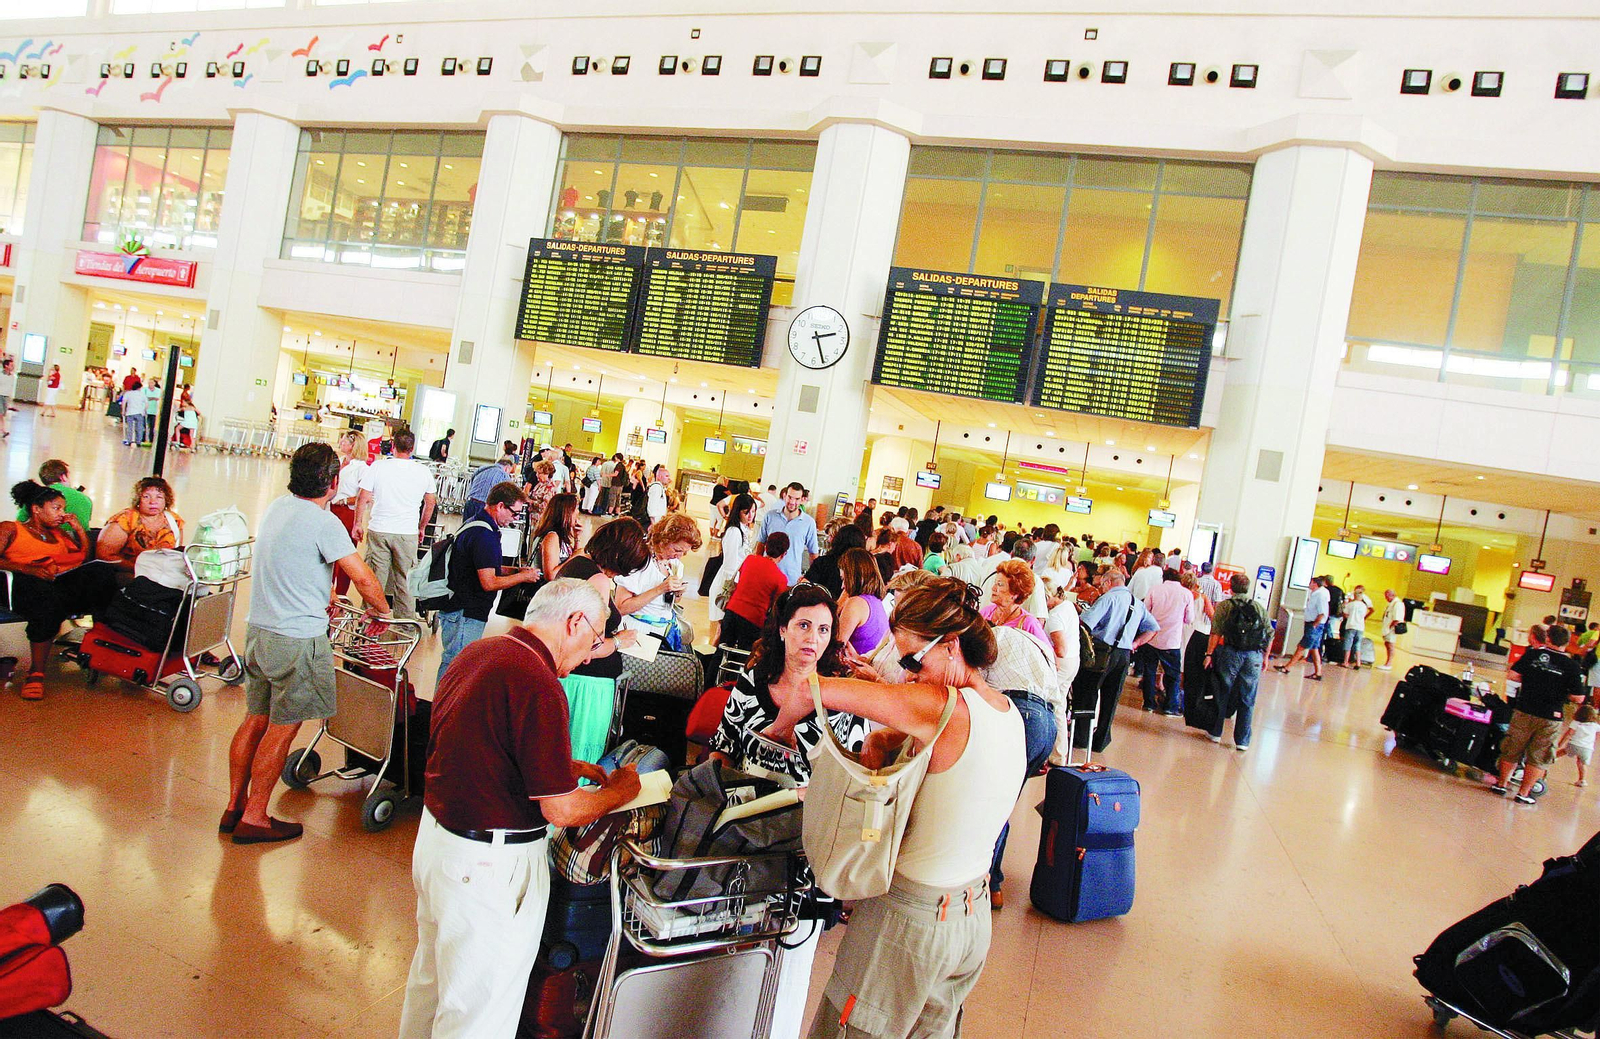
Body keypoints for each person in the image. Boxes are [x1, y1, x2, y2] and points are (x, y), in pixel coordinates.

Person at [399, 579, 642, 1039]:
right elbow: (562, 810)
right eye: (593, 642)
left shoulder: (481, 653)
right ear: (574, 623)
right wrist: (622, 791)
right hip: (487, 866)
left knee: (432, 987)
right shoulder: (538, 682)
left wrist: (564, 765)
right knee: (479, 1014)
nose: (589, 656)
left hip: (439, 844)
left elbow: (478, 741)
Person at [805, 578, 1024, 1037]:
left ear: (951, 646)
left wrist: (797, 661)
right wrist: (885, 736)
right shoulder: (1006, 711)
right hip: (969, 919)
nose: (907, 674)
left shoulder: (942, 705)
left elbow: (817, 691)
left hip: (909, 922)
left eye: (911, 660)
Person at [224, 443, 390, 844]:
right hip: (296, 640)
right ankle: (256, 817)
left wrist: (322, 594)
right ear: (333, 482)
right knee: (283, 728)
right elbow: (363, 578)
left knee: (255, 718)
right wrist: (381, 611)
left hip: (259, 631)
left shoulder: (277, 508)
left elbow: (288, 563)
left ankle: (234, 807)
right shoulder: (324, 522)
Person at [0, 482, 118, 700]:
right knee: (46, 600)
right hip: (23, 583)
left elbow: (82, 558)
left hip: (58, 582)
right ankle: (35, 674)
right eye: (56, 508)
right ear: (37, 509)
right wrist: (29, 569)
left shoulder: (59, 534)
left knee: (102, 572)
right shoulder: (11, 529)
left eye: (63, 508)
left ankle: (101, 643)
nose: (62, 514)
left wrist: (79, 530)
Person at [435, 482, 543, 683]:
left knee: (457, 663)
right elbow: (489, 582)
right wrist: (523, 577)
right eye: (514, 513)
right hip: (465, 612)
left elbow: (485, 565)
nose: (515, 519)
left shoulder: (477, 524)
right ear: (500, 506)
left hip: (463, 608)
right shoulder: (483, 534)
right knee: (456, 664)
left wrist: (515, 571)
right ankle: (443, 702)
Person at [1486, 624, 1587, 806]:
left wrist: (1532, 680)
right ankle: (1523, 793)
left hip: (1524, 710)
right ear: (1566, 643)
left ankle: (1501, 784)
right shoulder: (1572, 666)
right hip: (1551, 716)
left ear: (1548, 638)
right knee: (1539, 755)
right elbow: (1578, 697)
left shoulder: (1533, 655)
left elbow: (1513, 675)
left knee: (1512, 748)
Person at [1072, 570, 1160, 753]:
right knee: (1111, 698)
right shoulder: (1137, 603)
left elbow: (1086, 623)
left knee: (1088, 692)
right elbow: (1153, 628)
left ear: (1108, 582)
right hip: (1124, 655)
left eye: (1102, 585)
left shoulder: (1108, 598)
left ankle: (1081, 737)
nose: (1101, 588)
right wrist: (1136, 643)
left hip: (1102, 652)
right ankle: (1101, 739)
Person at [354, 428, 437, 620]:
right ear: (412, 448)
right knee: (405, 581)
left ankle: (369, 623)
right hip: (407, 533)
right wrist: (421, 527)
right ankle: (406, 626)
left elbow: (363, 497)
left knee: (375, 579)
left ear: (392, 446)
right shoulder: (423, 471)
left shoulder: (378, 467)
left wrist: (357, 523)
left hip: (379, 530)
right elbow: (430, 502)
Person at [554, 517, 649, 681]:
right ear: (618, 557)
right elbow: (589, 649)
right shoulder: (599, 581)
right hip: (586, 679)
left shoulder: (576, 563)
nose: (620, 574)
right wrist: (619, 641)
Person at [1204, 573, 1271, 751]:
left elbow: (1216, 632)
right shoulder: (1258, 607)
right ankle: (1242, 741)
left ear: (1231, 587)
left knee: (1222, 691)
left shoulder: (1225, 606)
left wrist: (1209, 654)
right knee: (1248, 697)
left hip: (1230, 652)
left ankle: (1215, 732)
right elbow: (1269, 633)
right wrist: (1265, 657)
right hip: (1253, 655)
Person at [614, 513, 701, 633]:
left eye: (684, 553)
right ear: (663, 541)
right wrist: (660, 589)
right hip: (638, 630)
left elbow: (670, 602)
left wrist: (677, 594)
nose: (679, 556)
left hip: (664, 629)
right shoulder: (638, 561)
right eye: (677, 550)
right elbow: (621, 608)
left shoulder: (675, 565)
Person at [95, 476, 183, 574]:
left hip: (163, 575)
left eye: (159, 497)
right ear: (138, 500)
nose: (153, 502)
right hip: (128, 573)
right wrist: (140, 570)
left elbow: (176, 554)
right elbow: (104, 555)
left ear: (166, 500)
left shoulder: (175, 521)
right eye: (146, 497)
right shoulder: (125, 519)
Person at [721, 532, 790, 650]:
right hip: (754, 620)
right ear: (784, 554)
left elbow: (740, 582)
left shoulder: (749, 559)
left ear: (766, 546)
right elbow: (775, 606)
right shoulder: (781, 579)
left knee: (722, 650)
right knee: (744, 654)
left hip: (732, 610)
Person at [1141, 569, 1195, 716]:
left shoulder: (1154, 589)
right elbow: (1189, 619)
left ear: (1163, 577)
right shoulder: (1186, 594)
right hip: (1172, 640)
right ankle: (1170, 707)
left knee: (1150, 671)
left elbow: (1145, 612)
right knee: (1173, 675)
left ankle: (1149, 703)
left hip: (1152, 637)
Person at [754, 482, 818, 586]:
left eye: (797, 499)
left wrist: (811, 580)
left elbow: (813, 553)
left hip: (791, 580)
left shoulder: (809, 523)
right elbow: (760, 544)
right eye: (790, 497)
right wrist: (757, 568)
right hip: (766, 577)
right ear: (784, 496)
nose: (792, 502)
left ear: (802, 500)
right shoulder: (770, 516)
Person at [981, 560, 1050, 654]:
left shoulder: (1028, 623)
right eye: (995, 583)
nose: (993, 588)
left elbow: (1048, 653)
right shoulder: (986, 612)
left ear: (1015, 593)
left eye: (1000, 584)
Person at [835, 547, 891, 657]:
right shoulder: (876, 601)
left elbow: (835, 647)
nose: (842, 586)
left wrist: (840, 602)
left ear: (853, 578)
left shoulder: (856, 603)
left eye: (844, 579)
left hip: (853, 665)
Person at [1275, 576, 1330, 680]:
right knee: (1314, 649)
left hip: (1314, 625)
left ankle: (1287, 668)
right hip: (1312, 624)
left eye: (1311, 582)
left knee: (1302, 646)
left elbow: (1322, 613)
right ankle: (1318, 673)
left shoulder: (1320, 595)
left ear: (1315, 584)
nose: (1309, 584)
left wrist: (1314, 625)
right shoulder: (1315, 594)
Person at [16, 460, 92, 529]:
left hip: (46, 537)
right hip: (79, 538)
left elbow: (20, 522)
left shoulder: (36, 495)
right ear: (63, 477)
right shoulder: (85, 498)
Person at [1179, 570, 1215, 712]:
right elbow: (1212, 616)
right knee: (1191, 662)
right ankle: (1187, 694)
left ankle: (1177, 692)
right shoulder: (1203, 597)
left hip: (1182, 628)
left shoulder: (1181, 595)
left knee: (1181, 658)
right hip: (1197, 631)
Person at [802, 523, 866, 600]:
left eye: (831, 536)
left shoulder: (822, 562)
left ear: (837, 540)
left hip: (820, 603)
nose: (828, 540)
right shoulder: (863, 568)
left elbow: (804, 586)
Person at [532, 492, 581, 583]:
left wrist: (577, 538)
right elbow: (550, 576)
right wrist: (574, 557)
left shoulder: (559, 536)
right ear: (566, 513)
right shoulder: (551, 537)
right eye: (575, 509)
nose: (578, 513)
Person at [1557, 704, 1600, 788]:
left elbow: (1568, 734)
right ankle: (1582, 780)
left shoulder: (1576, 723)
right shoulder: (1595, 726)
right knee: (1581, 763)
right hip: (1587, 749)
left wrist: (1560, 744)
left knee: (1563, 751)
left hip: (1574, 744)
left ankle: (1549, 759)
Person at [1339, 585, 1374, 670]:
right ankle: (1358, 662)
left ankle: (1346, 662)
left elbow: (1345, 614)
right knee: (1357, 644)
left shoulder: (1351, 604)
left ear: (1354, 596)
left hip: (1351, 625)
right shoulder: (1364, 606)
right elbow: (1365, 614)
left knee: (1348, 643)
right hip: (1360, 627)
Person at [1379, 588, 1406, 671]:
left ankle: (1389, 663)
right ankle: (1387, 662)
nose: (1386, 598)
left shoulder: (1398, 604)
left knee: (1390, 645)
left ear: (1392, 595)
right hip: (1387, 628)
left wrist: (1390, 628)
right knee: (1387, 644)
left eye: (1387, 596)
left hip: (1391, 629)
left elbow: (1397, 619)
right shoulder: (1391, 603)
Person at [120, 378, 147, 447]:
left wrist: (123, 411)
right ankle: (138, 441)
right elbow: (146, 404)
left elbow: (124, 402)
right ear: (139, 388)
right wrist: (144, 411)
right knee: (139, 427)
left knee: (130, 427)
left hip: (130, 412)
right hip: (139, 413)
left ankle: (129, 440)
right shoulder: (142, 394)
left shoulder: (128, 393)